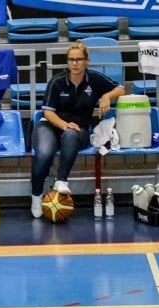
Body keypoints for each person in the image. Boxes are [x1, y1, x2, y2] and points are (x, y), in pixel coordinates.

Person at [30, 40, 124, 218]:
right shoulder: (57, 82)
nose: (74, 63)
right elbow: (48, 113)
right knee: (43, 153)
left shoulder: (94, 79)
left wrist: (106, 95)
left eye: (79, 60)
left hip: (78, 131)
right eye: (71, 60)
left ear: (87, 61)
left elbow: (121, 89)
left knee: (71, 134)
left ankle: (61, 180)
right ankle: (36, 197)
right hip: (49, 126)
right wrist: (65, 125)